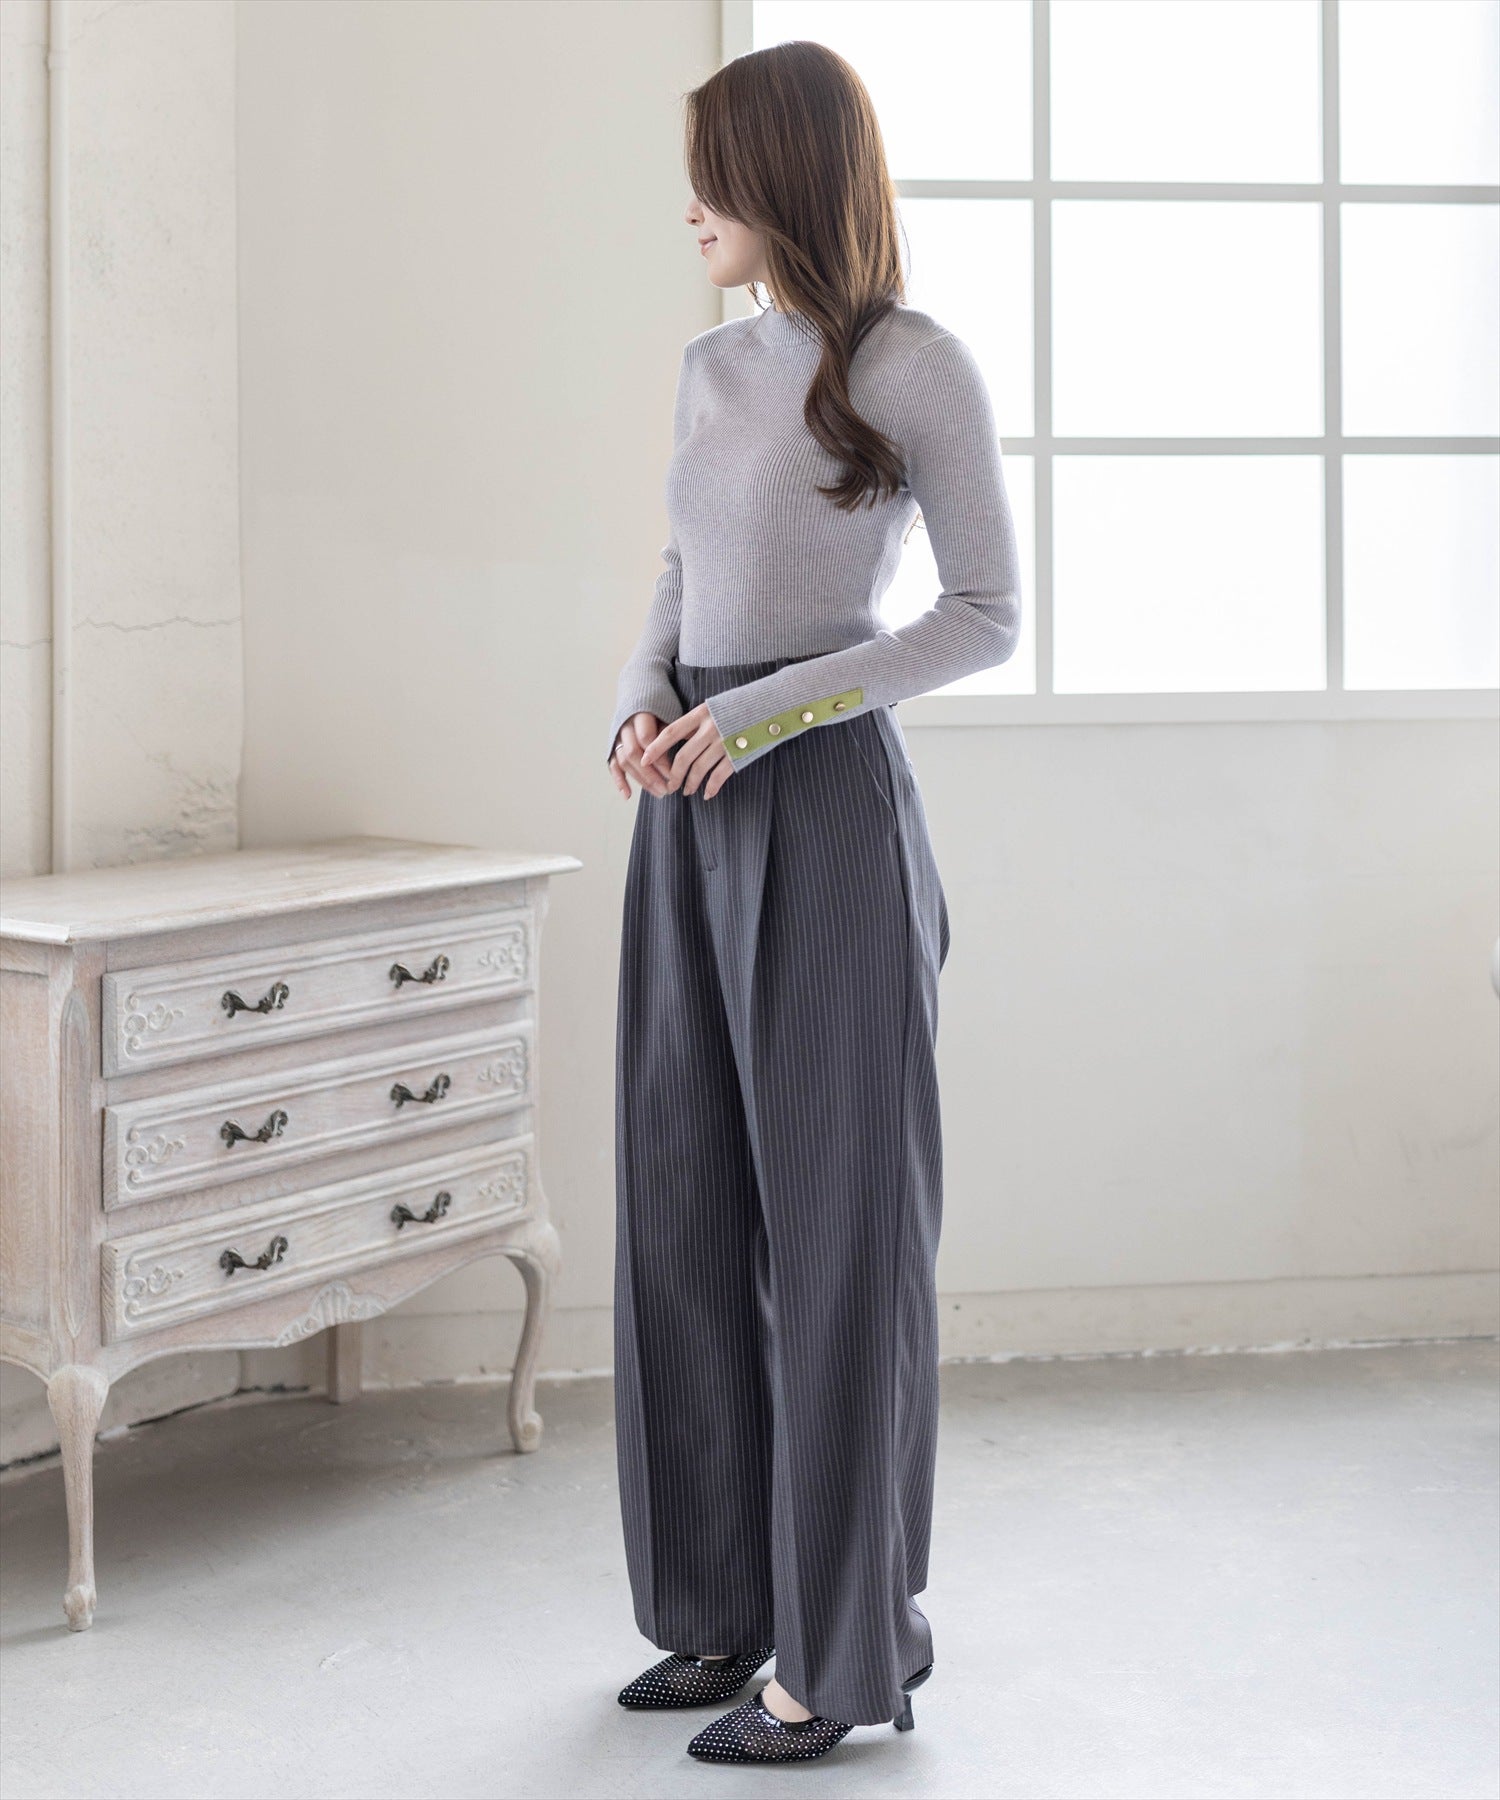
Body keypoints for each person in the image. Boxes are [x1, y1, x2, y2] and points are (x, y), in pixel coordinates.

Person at [604, 38, 1022, 1768]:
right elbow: (684, 564)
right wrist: (639, 696)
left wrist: (767, 710)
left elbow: (985, 611)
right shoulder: (712, 365)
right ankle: (721, 1607)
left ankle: (840, 1661)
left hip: (825, 814)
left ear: (782, 171)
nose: (689, 207)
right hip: (686, 813)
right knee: (683, 1209)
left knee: (843, 1240)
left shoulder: (911, 365)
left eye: (710, 172)